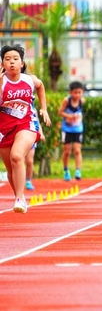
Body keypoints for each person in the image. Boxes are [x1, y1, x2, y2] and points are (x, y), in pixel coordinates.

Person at [0, 44, 51, 213]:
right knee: (10, 170)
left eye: (15, 59)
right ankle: (20, 197)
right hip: (3, 130)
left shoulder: (29, 80)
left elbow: (41, 86)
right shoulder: (1, 82)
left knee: (16, 156)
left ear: (22, 63)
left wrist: (43, 108)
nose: (11, 62)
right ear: (2, 64)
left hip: (26, 124)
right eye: (7, 59)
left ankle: (19, 199)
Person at [58, 81, 85, 181]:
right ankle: (66, 170)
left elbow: (79, 112)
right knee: (67, 151)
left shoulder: (82, 101)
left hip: (78, 128)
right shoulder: (67, 101)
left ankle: (78, 170)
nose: (77, 95)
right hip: (67, 129)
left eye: (79, 92)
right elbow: (60, 112)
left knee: (77, 150)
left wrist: (77, 117)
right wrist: (69, 116)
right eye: (75, 92)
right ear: (70, 92)